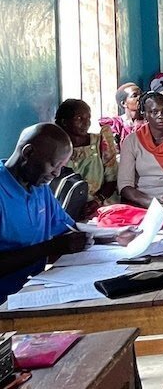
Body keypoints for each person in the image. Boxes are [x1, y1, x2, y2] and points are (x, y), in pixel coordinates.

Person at [0, 123, 89, 302]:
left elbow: (68, 229)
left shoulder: (39, 186)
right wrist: (50, 247)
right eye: (53, 165)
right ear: (28, 153)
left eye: (61, 167)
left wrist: (114, 235)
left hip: (34, 290)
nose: (56, 174)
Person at [54, 99, 118, 217]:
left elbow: (112, 179)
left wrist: (97, 201)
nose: (86, 123)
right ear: (64, 122)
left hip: (99, 204)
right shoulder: (55, 147)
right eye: (79, 118)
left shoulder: (100, 142)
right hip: (64, 206)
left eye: (88, 118)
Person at [99, 82, 144, 148]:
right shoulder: (116, 125)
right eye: (134, 96)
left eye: (141, 94)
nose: (140, 98)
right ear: (124, 103)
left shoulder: (148, 122)